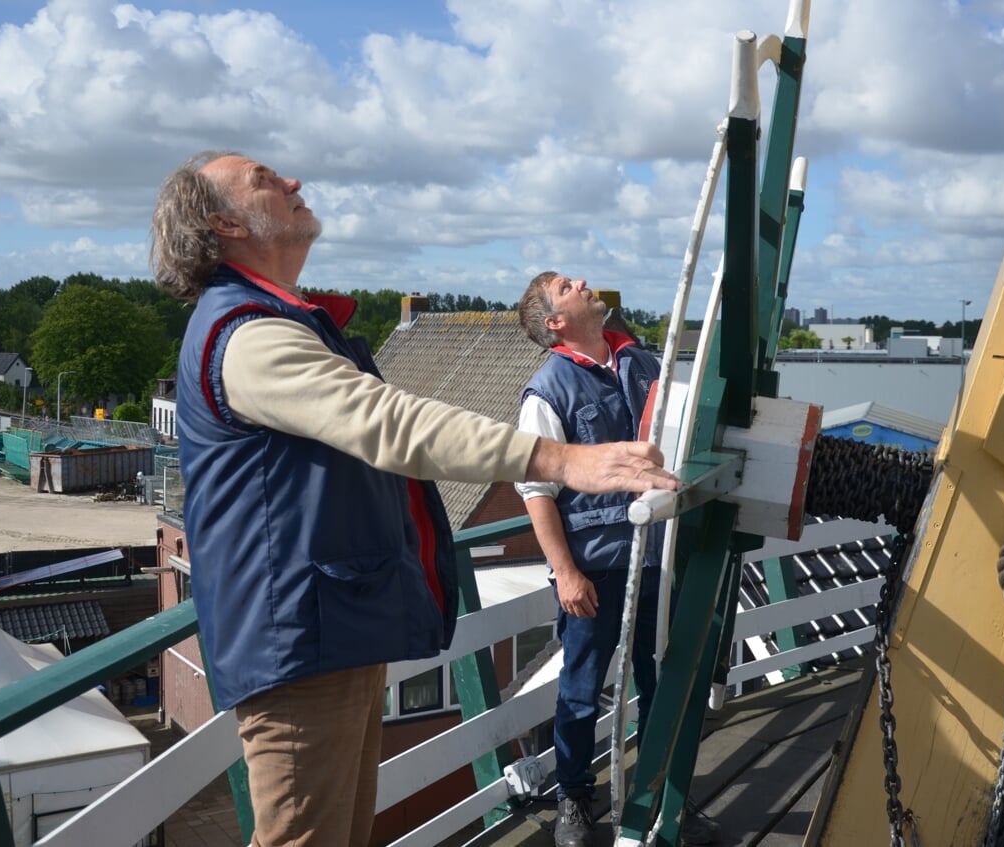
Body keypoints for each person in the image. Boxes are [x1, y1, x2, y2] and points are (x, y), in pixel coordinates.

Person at [149, 152, 678, 847]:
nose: (292, 181)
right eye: (264, 179)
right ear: (223, 221)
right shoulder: (246, 335)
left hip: (322, 632)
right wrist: (563, 458)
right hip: (297, 642)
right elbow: (390, 423)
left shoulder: (268, 321)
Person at [515, 271, 721, 846]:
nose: (581, 281)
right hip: (597, 567)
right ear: (556, 323)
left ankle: (662, 799)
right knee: (580, 691)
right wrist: (567, 573)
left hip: (659, 558)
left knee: (664, 684)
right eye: (565, 285)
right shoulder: (547, 391)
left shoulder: (644, 364)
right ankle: (574, 801)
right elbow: (537, 494)